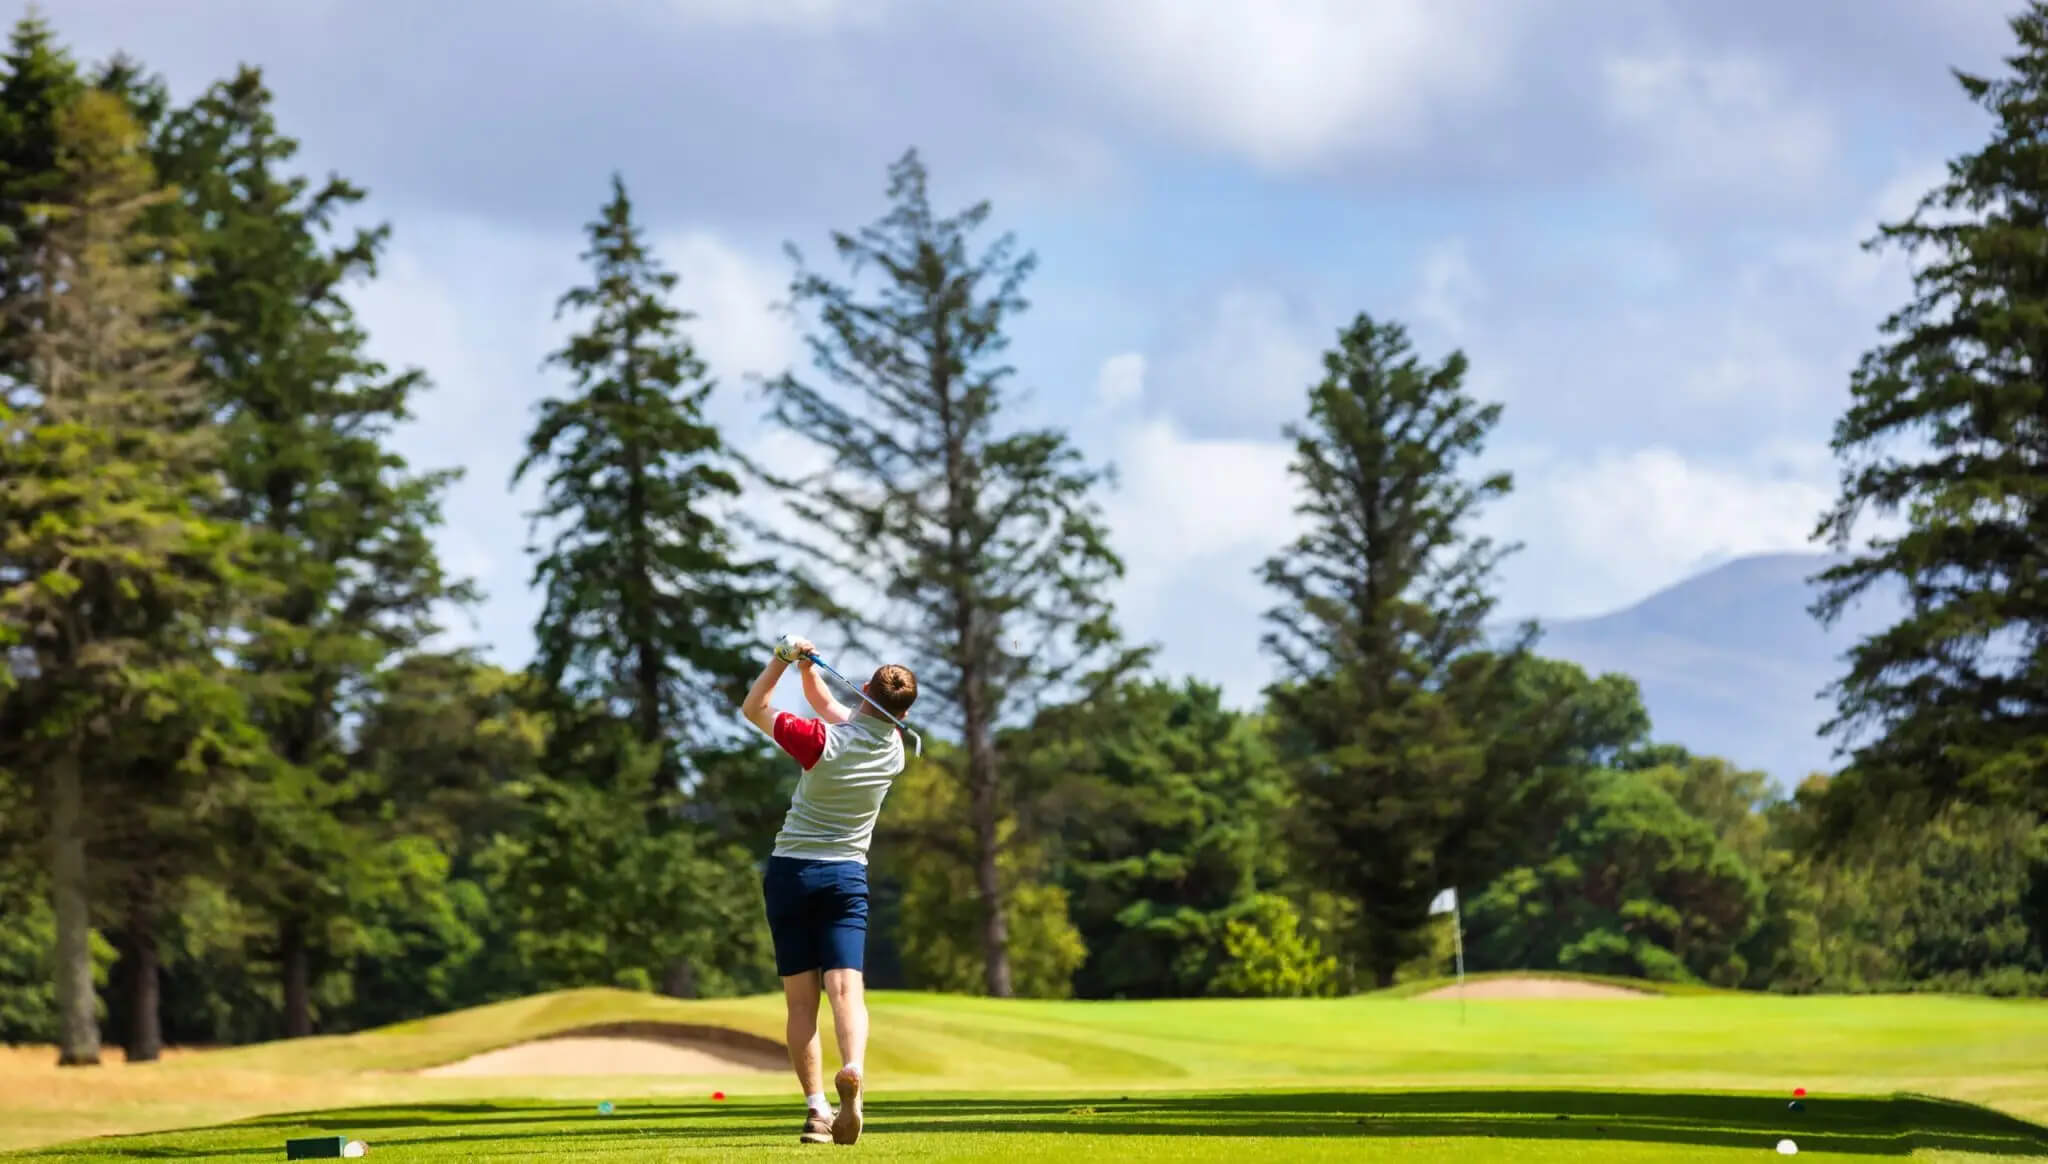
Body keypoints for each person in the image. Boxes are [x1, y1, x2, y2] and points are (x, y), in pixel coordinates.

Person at [740, 635, 917, 1147]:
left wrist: (781, 660)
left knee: (801, 1004)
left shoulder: (820, 741)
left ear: (863, 689)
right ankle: (854, 1070)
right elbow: (832, 705)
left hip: (792, 874)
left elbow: (755, 707)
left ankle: (817, 1110)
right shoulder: (894, 750)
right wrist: (808, 670)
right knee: (846, 990)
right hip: (845, 878)